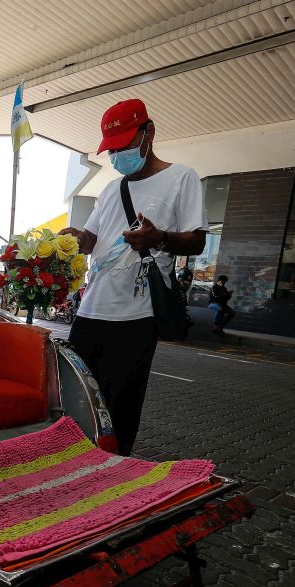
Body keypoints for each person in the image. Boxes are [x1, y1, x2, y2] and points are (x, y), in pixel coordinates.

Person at [59, 99, 206, 456]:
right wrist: (75, 238)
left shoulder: (181, 177)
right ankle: (72, 466)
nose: (118, 154)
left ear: (148, 132)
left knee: (120, 405)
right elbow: (92, 242)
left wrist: (160, 238)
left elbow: (197, 241)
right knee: (75, 400)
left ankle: (112, 472)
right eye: (112, 149)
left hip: (135, 316)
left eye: (125, 145)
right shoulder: (112, 189)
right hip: (90, 312)